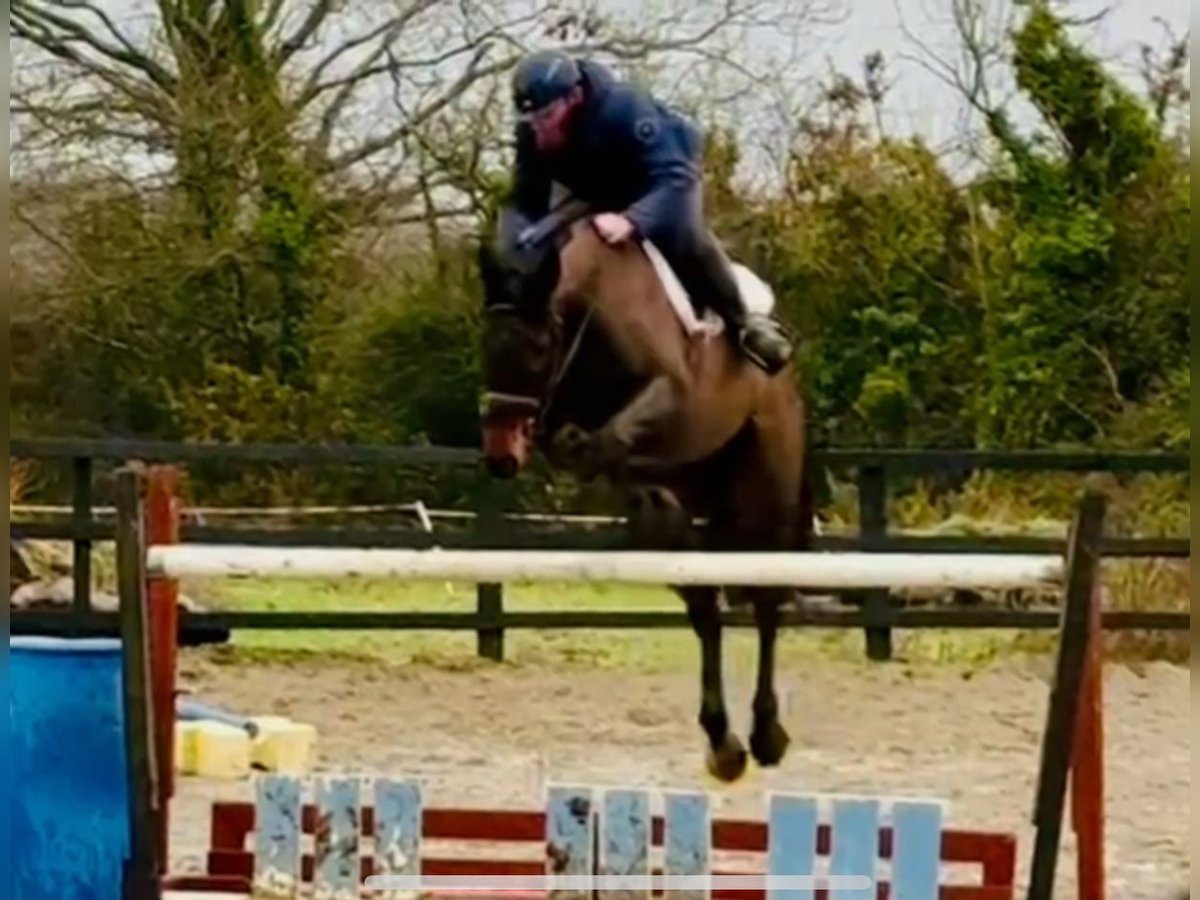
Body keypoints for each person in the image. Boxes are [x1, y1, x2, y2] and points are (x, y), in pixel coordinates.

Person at [500, 48, 793, 375]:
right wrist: (516, 251)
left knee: (684, 236)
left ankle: (744, 324)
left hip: (663, 182)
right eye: (531, 120)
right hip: (594, 192)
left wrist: (634, 220)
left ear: (575, 98)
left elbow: (674, 177)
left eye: (547, 117)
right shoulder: (532, 131)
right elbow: (526, 200)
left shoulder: (623, 108)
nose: (539, 130)